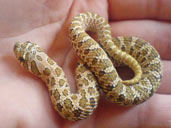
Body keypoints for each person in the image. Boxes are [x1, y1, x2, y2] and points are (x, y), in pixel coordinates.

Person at [0, 0, 170, 127]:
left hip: (135, 76)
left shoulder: (65, 69)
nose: (18, 49)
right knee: (83, 67)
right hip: (102, 78)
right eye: (24, 58)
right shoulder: (55, 74)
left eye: (30, 49)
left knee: (84, 65)